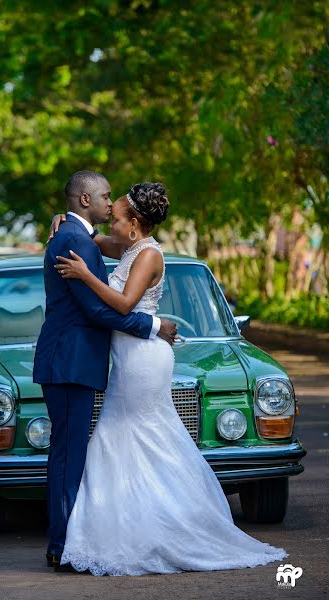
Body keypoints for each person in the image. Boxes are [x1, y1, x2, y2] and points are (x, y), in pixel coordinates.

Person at [49, 181, 289, 576]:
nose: (111, 217)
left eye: (118, 214)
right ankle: (131, 527)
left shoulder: (147, 256)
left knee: (140, 434)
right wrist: (64, 221)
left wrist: (85, 276)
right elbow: (91, 239)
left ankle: (167, 526)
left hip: (143, 357)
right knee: (123, 437)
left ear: (134, 225)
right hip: (128, 356)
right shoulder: (129, 247)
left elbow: (125, 304)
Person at [33, 171, 178, 571]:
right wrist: (154, 327)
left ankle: (74, 540)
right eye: (105, 196)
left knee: (85, 450)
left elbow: (114, 286)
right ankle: (60, 546)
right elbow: (97, 309)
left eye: (117, 203)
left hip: (88, 362)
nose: (110, 204)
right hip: (69, 362)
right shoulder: (72, 239)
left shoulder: (86, 239)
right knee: (69, 454)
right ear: (84, 200)